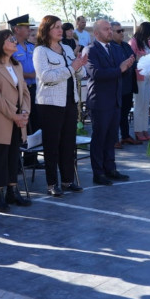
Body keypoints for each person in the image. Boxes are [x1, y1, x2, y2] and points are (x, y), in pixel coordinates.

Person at [34, 15, 88, 196]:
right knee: (52, 145)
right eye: (55, 27)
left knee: (68, 143)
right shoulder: (41, 51)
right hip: (50, 104)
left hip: (70, 102)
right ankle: (51, 183)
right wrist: (72, 67)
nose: (60, 30)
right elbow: (46, 77)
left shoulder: (66, 47)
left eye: (60, 27)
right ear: (46, 30)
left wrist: (79, 65)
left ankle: (67, 180)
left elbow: (81, 74)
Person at [0, 29, 32, 210]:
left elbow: (24, 92)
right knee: (0, 157)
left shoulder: (16, 65)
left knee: (14, 155)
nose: (14, 41)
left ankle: (13, 191)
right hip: (0, 118)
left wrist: (24, 112)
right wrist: (14, 115)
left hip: (18, 118)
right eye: (11, 39)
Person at [83, 20, 133, 186]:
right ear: (96, 33)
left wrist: (127, 66)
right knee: (99, 138)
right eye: (106, 29)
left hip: (115, 100)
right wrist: (120, 69)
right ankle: (98, 173)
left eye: (111, 29)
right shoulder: (90, 50)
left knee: (111, 137)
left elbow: (122, 72)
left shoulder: (116, 48)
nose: (110, 32)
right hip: (100, 101)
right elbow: (96, 73)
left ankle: (110, 168)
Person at [111, 21, 140, 147]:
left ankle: (125, 136)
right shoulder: (109, 47)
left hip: (128, 84)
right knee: (115, 113)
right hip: (116, 85)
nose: (122, 33)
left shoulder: (126, 46)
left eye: (122, 30)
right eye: (118, 31)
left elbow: (133, 60)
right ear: (110, 32)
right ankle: (114, 138)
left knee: (125, 111)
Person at [9, 15, 39, 133]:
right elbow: (8, 69)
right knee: (23, 126)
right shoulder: (10, 47)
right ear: (17, 29)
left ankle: (32, 151)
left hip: (35, 90)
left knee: (36, 123)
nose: (29, 30)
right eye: (26, 27)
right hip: (19, 91)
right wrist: (28, 75)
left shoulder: (32, 47)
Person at [129, 22, 150, 141]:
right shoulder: (134, 42)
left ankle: (145, 128)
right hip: (139, 76)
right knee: (139, 104)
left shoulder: (148, 43)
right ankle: (138, 130)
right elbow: (131, 59)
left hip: (148, 76)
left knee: (146, 104)